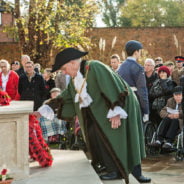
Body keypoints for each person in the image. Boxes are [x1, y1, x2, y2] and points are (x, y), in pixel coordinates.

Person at [35, 48, 146, 184]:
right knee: (94, 134)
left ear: (72, 63)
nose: (64, 72)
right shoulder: (77, 78)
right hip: (100, 112)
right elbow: (66, 96)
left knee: (116, 137)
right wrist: (44, 109)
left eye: (64, 68)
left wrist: (116, 110)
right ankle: (107, 166)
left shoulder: (94, 67)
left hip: (119, 106)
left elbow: (112, 85)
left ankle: (119, 171)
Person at [118, 40, 151, 183]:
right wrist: (146, 111)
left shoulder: (121, 67)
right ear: (136, 52)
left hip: (122, 105)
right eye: (140, 51)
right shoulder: (137, 68)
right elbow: (142, 91)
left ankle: (121, 169)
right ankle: (137, 173)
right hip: (134, 105)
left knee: (124, 138)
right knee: (136, 139)